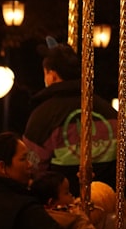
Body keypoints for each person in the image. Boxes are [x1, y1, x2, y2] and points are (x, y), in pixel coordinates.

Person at [23, 40, 119, 195]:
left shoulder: (43, 116)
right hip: (107, 198)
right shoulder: (108, 110)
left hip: (61, 202)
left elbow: (33, 167)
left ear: (52, 76)